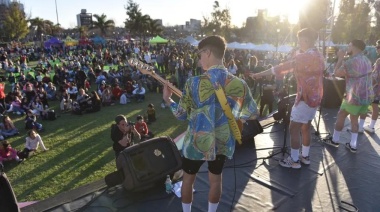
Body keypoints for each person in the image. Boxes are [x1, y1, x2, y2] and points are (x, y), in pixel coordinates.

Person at [162, 35, 258, 212]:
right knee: (216, 180)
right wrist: (236, 118)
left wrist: (168, 100)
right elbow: (253, 112)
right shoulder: (239, 84)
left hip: (196, 143)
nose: (199, 59)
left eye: (200, 55)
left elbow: (181, 115)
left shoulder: (194, 83)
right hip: (222, 142)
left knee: (188, 180)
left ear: (207, 52)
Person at [251, 28, 325, 168]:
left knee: (294, 128)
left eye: (299, 40)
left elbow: (281, 68)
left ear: (306, 40)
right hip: (315, 97)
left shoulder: (303, 57)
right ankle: (305, 156)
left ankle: (295, 160)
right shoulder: (319, 56)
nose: (298, 43)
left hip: (305, 98)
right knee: (306, 127)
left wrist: (260, 74)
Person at [322, 40, 374, 153]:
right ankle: (353, 145)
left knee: (342, 115)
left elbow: (336, 73)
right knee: (353, 119)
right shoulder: (366, 60)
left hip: (354, 96)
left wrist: (340, 58)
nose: (347, 47)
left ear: (354, 47)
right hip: (366, 96)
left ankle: (335, 140)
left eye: (349, 45)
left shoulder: (351, 61)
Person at [357, 43, 380, 133]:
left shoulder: (379, 61)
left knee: (364, 105)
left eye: (377, 47)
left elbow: (375, 76)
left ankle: (360, 126)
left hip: (374, 87)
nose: (376, 49)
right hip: (378, 88)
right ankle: (371, 126)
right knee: (375, 105)